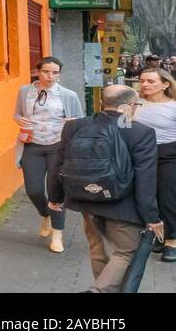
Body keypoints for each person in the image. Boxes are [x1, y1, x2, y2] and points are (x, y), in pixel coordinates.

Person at [49, 84, 163, 292]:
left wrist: (55, 197)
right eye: (136, 104)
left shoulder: (75, 126)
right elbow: (146, 178)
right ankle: (98, 290)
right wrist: (151, 217)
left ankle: (101, 287)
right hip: (122, 205)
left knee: (97, 249)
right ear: (128, 106)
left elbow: (58, 164)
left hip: (84, 200)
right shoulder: (141, 132)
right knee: (127, 252)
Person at [13, 56, 83, 253]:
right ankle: (45, 214)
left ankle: (57, 233)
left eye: (55, 72)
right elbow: (17, 114)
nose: (50, 76)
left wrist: (72, 121)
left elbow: (80, 119)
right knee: (33, 189)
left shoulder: (68, 95)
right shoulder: (25, 91)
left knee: (56, 191)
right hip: (32, 145)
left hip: (57, 146)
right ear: (37, 71)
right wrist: (19, 121)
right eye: (46, 71)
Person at [135, 67, 176, 262]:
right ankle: (160, 235)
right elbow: (123, 127)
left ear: (166, 84)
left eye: (151, 81)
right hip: (141, 156)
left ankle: (172, 241)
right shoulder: (135, 103)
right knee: (148, 198)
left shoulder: (173, 107)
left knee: (168, 198)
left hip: (169, 155)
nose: (145, 84)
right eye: (142, 80)